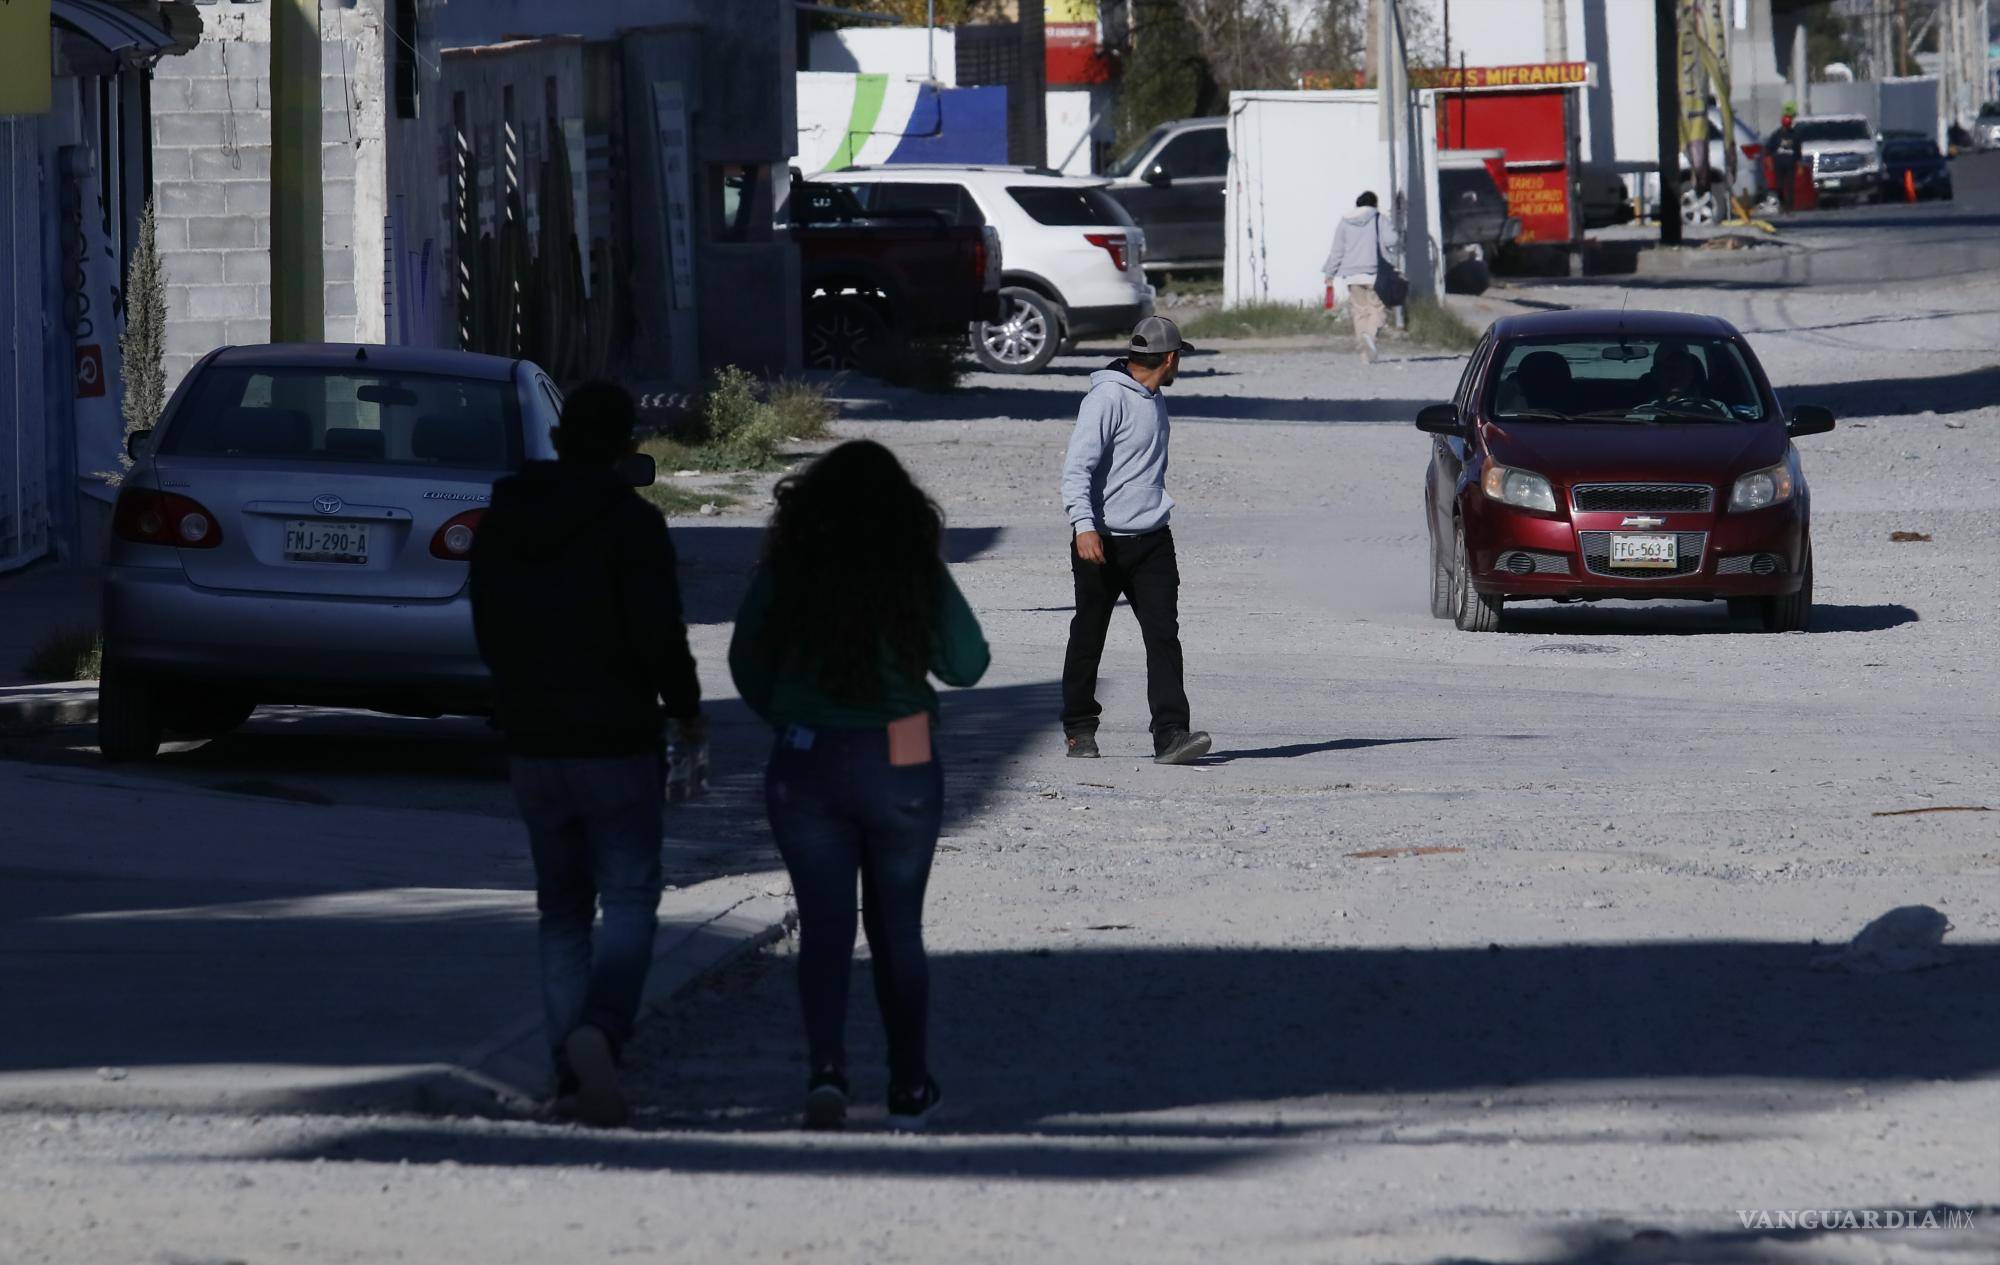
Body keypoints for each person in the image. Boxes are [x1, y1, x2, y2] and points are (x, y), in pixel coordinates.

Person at [729, 440, 990, 1132]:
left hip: (807, 754)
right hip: (902, 749)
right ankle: (909, 1085)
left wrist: (790, 715)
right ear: (904, 508)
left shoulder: (789, 568)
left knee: (824, 926)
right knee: (898, 928)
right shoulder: (915, 567)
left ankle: (827, 1071)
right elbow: (967, 664)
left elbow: (745, 660)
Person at [468, 380, 703, 1129]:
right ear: (626, 447)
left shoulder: (506, 516)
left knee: (562, 909)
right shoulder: (632, 523)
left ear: (559, 438)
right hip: (616, 738)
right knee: (629, 897)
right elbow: (660, 633)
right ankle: (600, 1030)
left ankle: (569, 1075)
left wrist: (513, 691)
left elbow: (487, 620)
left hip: (534, 739)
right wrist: (686, 710)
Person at [1059, 316, 1212, 766]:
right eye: (1179, 357)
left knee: (1164, 636)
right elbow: (1077, 468)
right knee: (1089, 636)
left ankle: (1171, 736)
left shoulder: (1153, 395)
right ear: (1170, 358)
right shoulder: (1106, 398)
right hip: (1101, 541)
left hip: (1153, 540)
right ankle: (1079, 729)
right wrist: (1084, 525)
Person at [1322, 191, 1399, 362]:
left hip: (1351, 275)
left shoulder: (1344, 222)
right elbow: (1392, 240)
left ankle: (1365, 356)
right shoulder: (1379, 218)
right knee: (1378, 309)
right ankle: (1370, 337)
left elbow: (1337, 251)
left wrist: (1330, 274)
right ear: (1374, 204)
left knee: (1360, 312)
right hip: (1374, 273)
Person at [1768, 109, 1802, 212]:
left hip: (1790, 164)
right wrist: (1770, 162)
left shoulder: (1795, 135)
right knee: (1779, 186)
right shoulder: (1776, 135)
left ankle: (1790, 206)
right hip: (1779, 164)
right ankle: (1782, 203)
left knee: (1790, 186)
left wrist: (1799, 165)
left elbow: (1798, 151)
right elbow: (1769, 149)